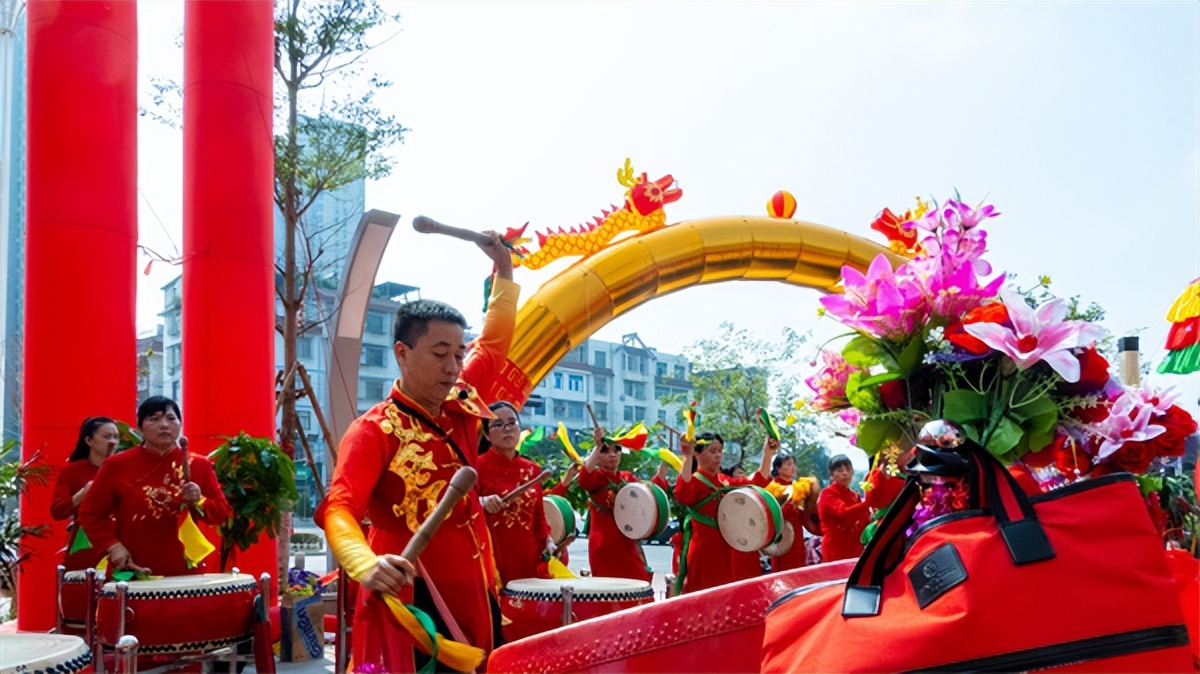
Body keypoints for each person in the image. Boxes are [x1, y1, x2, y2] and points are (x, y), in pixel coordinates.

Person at [316, 232, 519, 673]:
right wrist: (363, 563)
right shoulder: (373, 430)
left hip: (476, 583)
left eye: (459, 355)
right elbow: (339, 508)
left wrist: (504, 270)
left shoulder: (461, 403)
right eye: (440, 353)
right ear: (403, 354)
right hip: (408, 590)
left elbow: (497, 341)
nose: (452, 366)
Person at [76, 397, 231, 576]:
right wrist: (113, 547)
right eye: (154, 419)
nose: (164, 425)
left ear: (180, 424)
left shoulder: (198, 464)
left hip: (185, 571)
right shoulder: (116, 465)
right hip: (133, 569)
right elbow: (90, 514)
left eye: (171, 418)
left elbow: (222, 513)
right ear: (140, 427)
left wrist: (199, 501)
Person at [674, 432, 777, 594]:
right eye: (712, 451)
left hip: (731, 547)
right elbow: (682, 494)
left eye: (720, 450)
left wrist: (767, 454)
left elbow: (756, 483)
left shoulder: (725, 481)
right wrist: (687, 456)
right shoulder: (694, 480)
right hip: (706, 551)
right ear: (698, 454)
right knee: (707, 596)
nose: (718, 455)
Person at [477, 401, 554, 585]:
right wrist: (481, 501)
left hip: (528, 555)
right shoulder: (476, 467)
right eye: (498, 424)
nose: (507, 429)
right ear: (486, 435)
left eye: (512, 423)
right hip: (493, 555)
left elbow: (538, 517)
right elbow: (462, 505)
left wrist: (548, 541)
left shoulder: (533, 471)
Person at [577, 430, 654, 582]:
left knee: (637, 585)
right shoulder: (596, 478)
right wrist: (597, 446)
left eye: (616, 450)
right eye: (605, 451)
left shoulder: (627, 478)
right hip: (603, 546)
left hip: (627, 543)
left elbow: (649, 496)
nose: (612, 455)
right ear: (598, 455)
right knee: (608, 593)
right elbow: (583, 477)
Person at [51, 416, 120, 570]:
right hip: (86, 541)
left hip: (119, 541)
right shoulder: (71, 471)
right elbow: (57, 511)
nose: (112, 442)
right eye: (106, 436)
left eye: (116, 437)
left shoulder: (123, 469)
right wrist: (83, 493)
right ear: (89, 440)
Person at [764, 453, 822, 573]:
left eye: (794, 464)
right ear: (778, 468)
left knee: (798, 567)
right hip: (782, 534)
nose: (793, 467)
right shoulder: (771, 488)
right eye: (788, 464)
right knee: (783, 570)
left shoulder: (800, 487)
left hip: (797, 534)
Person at [816, 454, 870, 562]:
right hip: (836, 549)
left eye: (848, 469)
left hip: (855, 548)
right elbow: (844, 513)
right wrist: (870, 502)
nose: (845, 473)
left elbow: (865, 522)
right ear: (831, 475)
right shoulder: (827, 493)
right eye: (839, 470)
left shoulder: (855, 496)